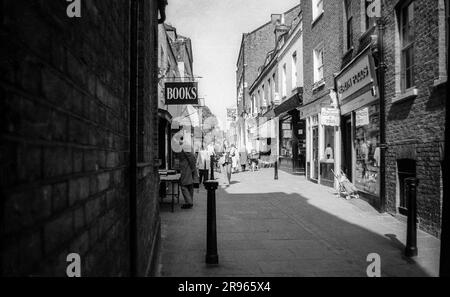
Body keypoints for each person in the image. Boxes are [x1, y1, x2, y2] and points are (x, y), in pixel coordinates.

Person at [178, 140, 199, 209]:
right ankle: (190, 201)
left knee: (183, 185)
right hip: (187, 168)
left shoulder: (185, 147)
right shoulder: (185, 146)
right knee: (189, 185)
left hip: (187, 168)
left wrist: (193, 168)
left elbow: (191, 158)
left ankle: (189, 202)